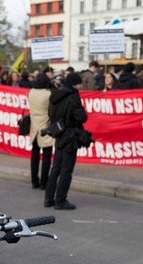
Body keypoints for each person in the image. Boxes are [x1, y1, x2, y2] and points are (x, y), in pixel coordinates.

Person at [44, 72, 87, 210]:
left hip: (58, 133)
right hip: (70, 135)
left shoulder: (55, 94)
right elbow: (81, 117)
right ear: (75, 84)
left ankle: (49, 198)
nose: (81, 86)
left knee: (55, 167)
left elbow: (50, 114)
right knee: (66, 169)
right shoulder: (73, 97)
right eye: (80, 83)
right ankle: (60, 200)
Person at [28, 73, 55, 190]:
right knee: (46, 156)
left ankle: (34, 180)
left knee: (34, 155)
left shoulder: (30, 92)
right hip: (45, 127)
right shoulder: (49, 94)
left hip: (34, 127)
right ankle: (44, 181)